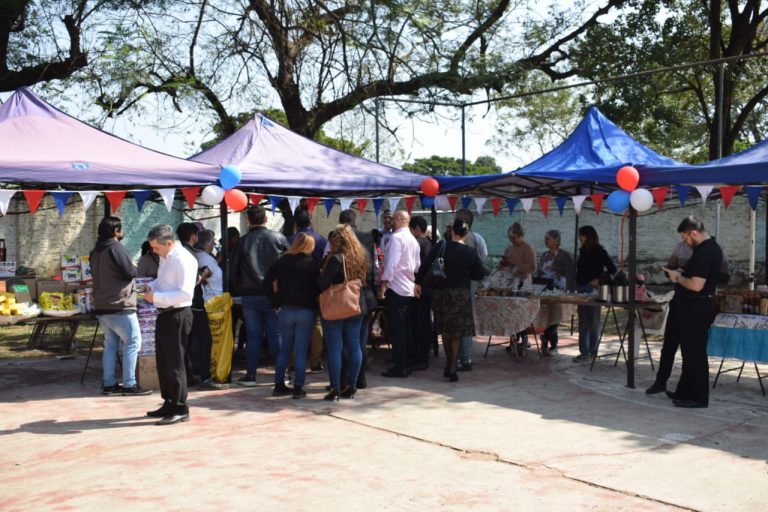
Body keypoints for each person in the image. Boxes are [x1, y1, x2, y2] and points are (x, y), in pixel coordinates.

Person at [646, 216, 723, 408]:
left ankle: (698, 397)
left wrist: (677, 277)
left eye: (685, 238)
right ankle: (685, 392)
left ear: (694, 233)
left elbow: (696, 285)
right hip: (688, 305)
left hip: (697, 306)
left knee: (694, 353)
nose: (684, 242)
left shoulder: (706, 252)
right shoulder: (705, 249)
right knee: (688, 352)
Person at [416, 217, 484, 382]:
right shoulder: (470, 252)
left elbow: (425, 265)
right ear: (466, 234)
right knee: (457, 333)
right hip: (461, 294)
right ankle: (453, 365)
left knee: (446, 330)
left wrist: (418, 282)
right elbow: (479, 274)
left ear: (451, 231)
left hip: (442, 292)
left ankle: (449, 364)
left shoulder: (441, 246)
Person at [143, 224, 197, 425]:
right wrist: (152, 287)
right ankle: (169, 401)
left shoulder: (184, 260)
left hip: (178, 314)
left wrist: (155, 296)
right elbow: (164, 282)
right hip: (164, 313)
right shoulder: (166, 257)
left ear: (168, 243)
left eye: (156, 248)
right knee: (163, 361)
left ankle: (181, 407)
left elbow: (185, 293)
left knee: (175, 363)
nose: (154, 252)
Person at [90, 216, 150, 396]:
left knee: (110, 345)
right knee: (132, 342)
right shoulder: (116, 248)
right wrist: (134, 266)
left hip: (102, 305)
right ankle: (130, 384)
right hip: (120, 305)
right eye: (120, 228)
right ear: (116, 231)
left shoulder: (96, 251)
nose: (122, 231)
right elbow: (129, 272)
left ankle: (109, 384)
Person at [232, 205, 289, 386]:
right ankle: (282, 374)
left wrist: (238, 289)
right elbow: (288, 265)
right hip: (274, 294)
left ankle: (250, 375)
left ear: (248, 220)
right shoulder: (279, 238)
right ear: (266, 219)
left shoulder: (242, 242)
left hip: (250, 295)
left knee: (253, 336)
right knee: (275, 335)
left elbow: (233, 271)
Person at [264, 233, 320, 399]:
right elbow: (318, 287)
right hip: (306, 310)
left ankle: (279, 384)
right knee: (301, 350)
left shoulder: (282, 261)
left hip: (286, 309)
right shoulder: (312, 264)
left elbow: (266, 282)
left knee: (285, 350)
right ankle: (298, 387)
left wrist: (275, 302)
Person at [318, 225, 370, 400]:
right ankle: (352, 385)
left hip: (336, 306)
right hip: (355, 305)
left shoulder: (336, 259)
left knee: (335, 348)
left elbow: (322, 284)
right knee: (354, 346)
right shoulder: (361, 255)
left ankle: (335, 388)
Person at [337, 208, 377, 389]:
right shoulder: (368, 240)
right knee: (360, 341)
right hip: (365, 295)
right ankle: (360, 379)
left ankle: (346, 379)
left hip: (346, 296)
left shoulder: (338, 240)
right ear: (355, 221)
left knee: (347, 341)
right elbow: (374, 270)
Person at [379, 210, 421, 378]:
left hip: (396, 288)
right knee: (406, 328)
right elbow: (417, 266)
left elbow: (391, 265)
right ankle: (406, 363)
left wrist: (384, 283)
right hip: (408, 287)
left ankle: (400, 366)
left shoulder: (396, 238)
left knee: (398, 330)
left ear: (398, 220)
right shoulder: (413, 239)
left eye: (392, 219)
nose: (390, 222)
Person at [290, 208, 327, 373]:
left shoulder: (290, 239)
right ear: (310, 221)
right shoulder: (321, 240)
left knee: (293, 327)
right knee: (316, 324)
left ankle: (293, 362)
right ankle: (315, 361)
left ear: (295, 224)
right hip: (315, 286)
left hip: (293, 288)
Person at [573, 225, 616, 362]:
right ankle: (584, 351)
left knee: (594, 321)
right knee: (583, 320)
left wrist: (600, 279)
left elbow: (612, 269)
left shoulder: (599, 251)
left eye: (582, 235)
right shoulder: (583, 251)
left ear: (589, 236)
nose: (580, 238)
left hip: (593, 290)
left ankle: (593, 350)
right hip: (581, 288)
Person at [454, 208, 487, 371]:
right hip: (464, 286)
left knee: (464, 323)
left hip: (463, 286)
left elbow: (480, 265)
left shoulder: (472, 239)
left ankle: (465, 357)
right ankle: (462, 356)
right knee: (462, 322)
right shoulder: (473, 239)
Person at [535, 229, 575, 355]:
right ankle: (550, 344)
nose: (545, 241)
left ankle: (547, 338)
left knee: (556, 315)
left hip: (560, 288)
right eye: (545, 239)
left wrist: (559, 275)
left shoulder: (565, 255)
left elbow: (570, 273)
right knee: (548, 315)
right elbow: (540, 271)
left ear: (556, 240)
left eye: (548, 239)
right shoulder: (545, 255)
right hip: (546, 287)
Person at [409, 215, 435, 370]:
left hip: (420, 289)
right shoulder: (429, 243)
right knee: (423, 323)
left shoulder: (418, 244)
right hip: (427, 289)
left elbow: (416, 268)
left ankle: (421, 357)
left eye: (412, 230)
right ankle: (422, 355)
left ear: (417, 229)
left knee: (420, 324)